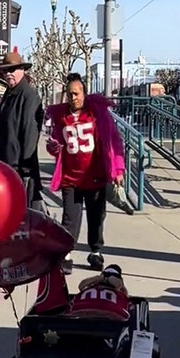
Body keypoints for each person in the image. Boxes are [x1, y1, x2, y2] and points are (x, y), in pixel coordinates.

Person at [44, 73, 125, 273]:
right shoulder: (61, 117)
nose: (74, 98)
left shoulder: (97, 115)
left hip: (95, 176)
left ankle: (96, 252)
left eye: (77, 93)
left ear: (84, 93)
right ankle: (66, 253)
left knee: (96, 218)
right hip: (71, 178)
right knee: (70, 218)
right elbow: (56, 144)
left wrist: (118, 169)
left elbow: (113, 142)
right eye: (70, 94)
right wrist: (53, 147)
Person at [0, 50, 45, 211]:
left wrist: (25, 169)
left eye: (12, 70)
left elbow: (29, 133)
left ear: (22, 70)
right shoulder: (9, 93)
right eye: (5, 70)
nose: (8, 74)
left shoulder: (29, 96)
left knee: (24, 212)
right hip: (5, 164)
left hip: (20, 168)